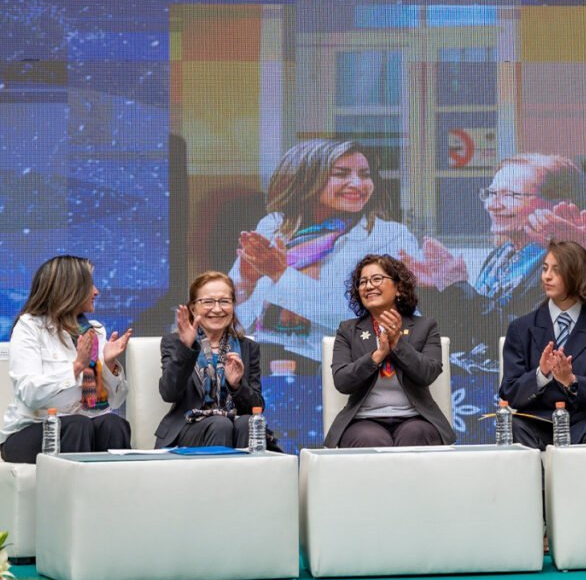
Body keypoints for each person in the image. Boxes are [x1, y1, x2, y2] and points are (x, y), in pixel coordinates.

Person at [230, 139, 419, 373]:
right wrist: (245, 284)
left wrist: (281, 275)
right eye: (341, 174)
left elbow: (376, 319)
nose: (357, 184)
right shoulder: (275, 226)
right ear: (306, 179)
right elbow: (227, 316)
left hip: (343, 371)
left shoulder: (390, 237)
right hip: (262, 364)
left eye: (365, 174)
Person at [403, 154, 586, 371]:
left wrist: (458, 287)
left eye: (510, 195)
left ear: (559, 204)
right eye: (490, 194)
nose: (492, 205)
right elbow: (465, 336)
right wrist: (435, 291)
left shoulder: (568, 267)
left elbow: (526, 338)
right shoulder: (501, 255)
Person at [0, 255, 132, 463]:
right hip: (30, 431)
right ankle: (74, 495)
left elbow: (114, 401)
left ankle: (116, 493)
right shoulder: (30, 327)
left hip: (83, 428)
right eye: (90, 286)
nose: (96, 291)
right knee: (77, 425)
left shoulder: (94, 331)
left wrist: (110, 365)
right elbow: (30, 393)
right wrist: (77, 367)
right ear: (70, 289)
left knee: (114, 425)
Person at [500, 240, 586, 449]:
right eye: (545, 269)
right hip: (537, 424)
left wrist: (571, 381)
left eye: (556, 270)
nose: (546, 276)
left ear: (576, 275)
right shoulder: (521, 328)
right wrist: (541, 375)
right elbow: (509, 392)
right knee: (513, 428)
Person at [325, 254, 457, 448]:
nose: (368, 286)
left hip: (415, 417)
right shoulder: (348, 330)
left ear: (399, 288)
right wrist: (377, 355)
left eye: (376, 279)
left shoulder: (425, 327)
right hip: (363, 420)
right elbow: (342, 381)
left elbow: (428, 373)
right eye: (362, 282)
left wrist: (398, 344)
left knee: (416, 435)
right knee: (371, 440)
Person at [155, 271, 275, 449]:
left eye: (224, 301)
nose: (217, 309)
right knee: (220, 424)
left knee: (247, 423)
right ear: (193, 308)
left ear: (233, 306)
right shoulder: (174, 343)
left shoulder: (248, 348)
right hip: (188, 428)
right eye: (208, 302)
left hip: (234, 424)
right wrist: (186, 349)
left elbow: (256, 408)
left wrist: (236, 385)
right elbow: (169, 393)